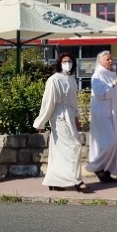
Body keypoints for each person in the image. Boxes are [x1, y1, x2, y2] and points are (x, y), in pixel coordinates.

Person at [34, 53, 88, 192]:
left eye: (69, 61)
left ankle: (55, 181)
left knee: (62, 149)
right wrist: (41, 122)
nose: (67, 63)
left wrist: (77, 119)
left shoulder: (72, 80)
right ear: (59, 63)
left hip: (69, 116)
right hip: (59, 117)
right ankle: (75, 180)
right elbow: (48, 102)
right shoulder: (54, 79)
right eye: (64, 61)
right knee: (71, 147)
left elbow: (74, 103)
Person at [86, 51, 117, 182]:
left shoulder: (111, 74)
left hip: (113, 112)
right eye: (108, 59)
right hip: (101, 113)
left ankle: (105, 170)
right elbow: (100, 93)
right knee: (109, 142)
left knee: (114, 142)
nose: (111, 61)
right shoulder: (97, 75)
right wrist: (113, 83)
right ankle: (96, 166)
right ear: (100, 61)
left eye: (111, 59)